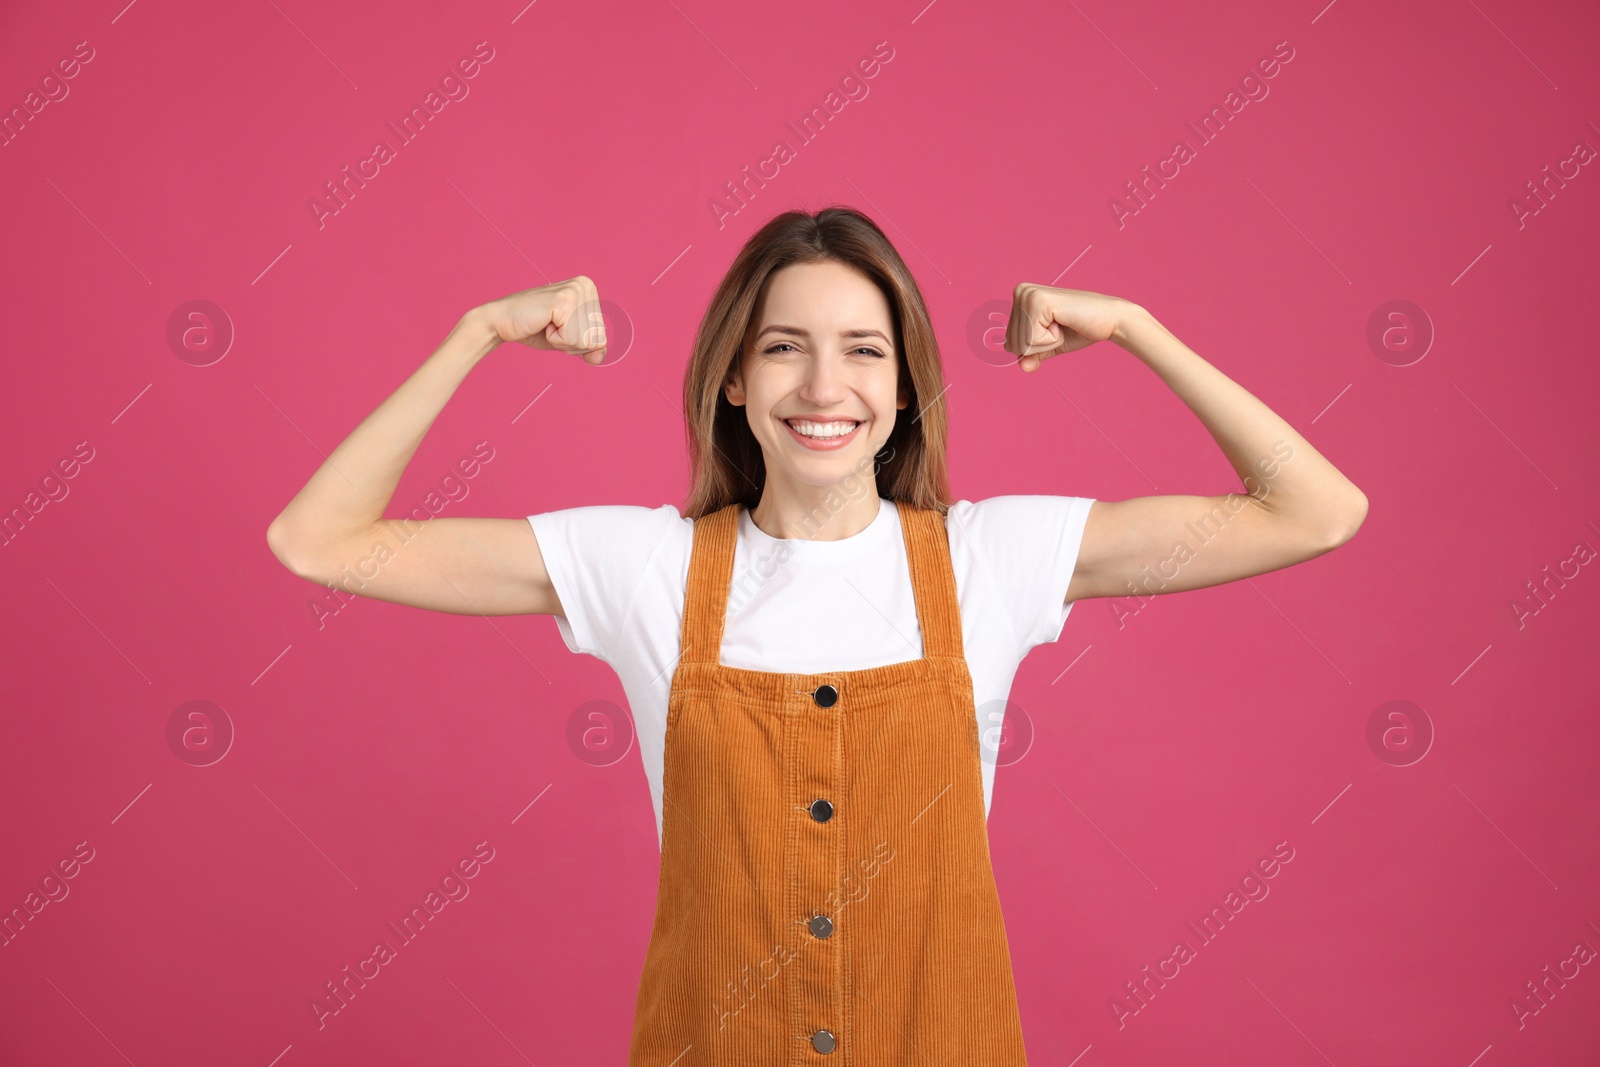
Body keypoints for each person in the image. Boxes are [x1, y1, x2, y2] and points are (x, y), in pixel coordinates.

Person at [267, 206, 1367, 1064]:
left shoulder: (992, 557)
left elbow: (1314, 510)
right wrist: (480, 334)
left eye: (865, 351)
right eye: (785, 347)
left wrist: (1135, 328)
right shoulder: (642, 565)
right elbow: (320, 539)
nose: (825, 386)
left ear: (904, 386)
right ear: (735, 379)